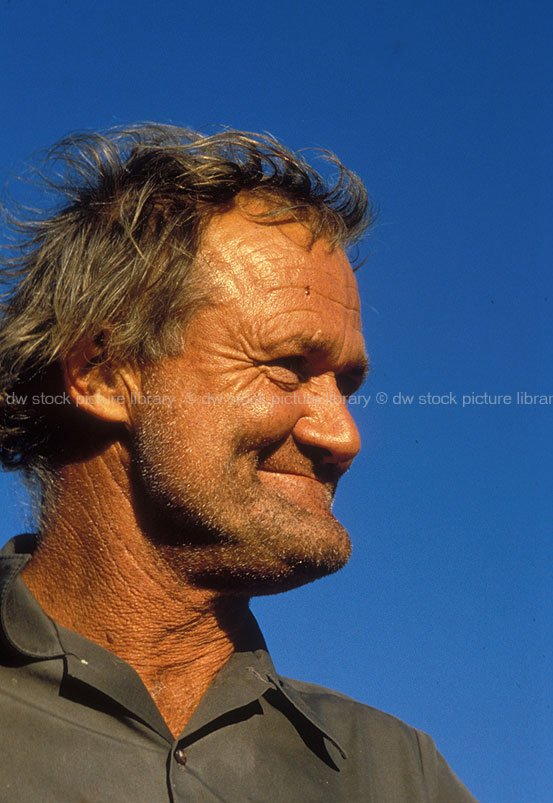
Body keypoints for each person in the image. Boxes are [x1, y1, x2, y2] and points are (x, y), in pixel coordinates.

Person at [0, 125, 477, 801]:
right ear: (102, 373)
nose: (342, 436)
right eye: (287, 367)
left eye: (344, 384)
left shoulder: (393, 773)